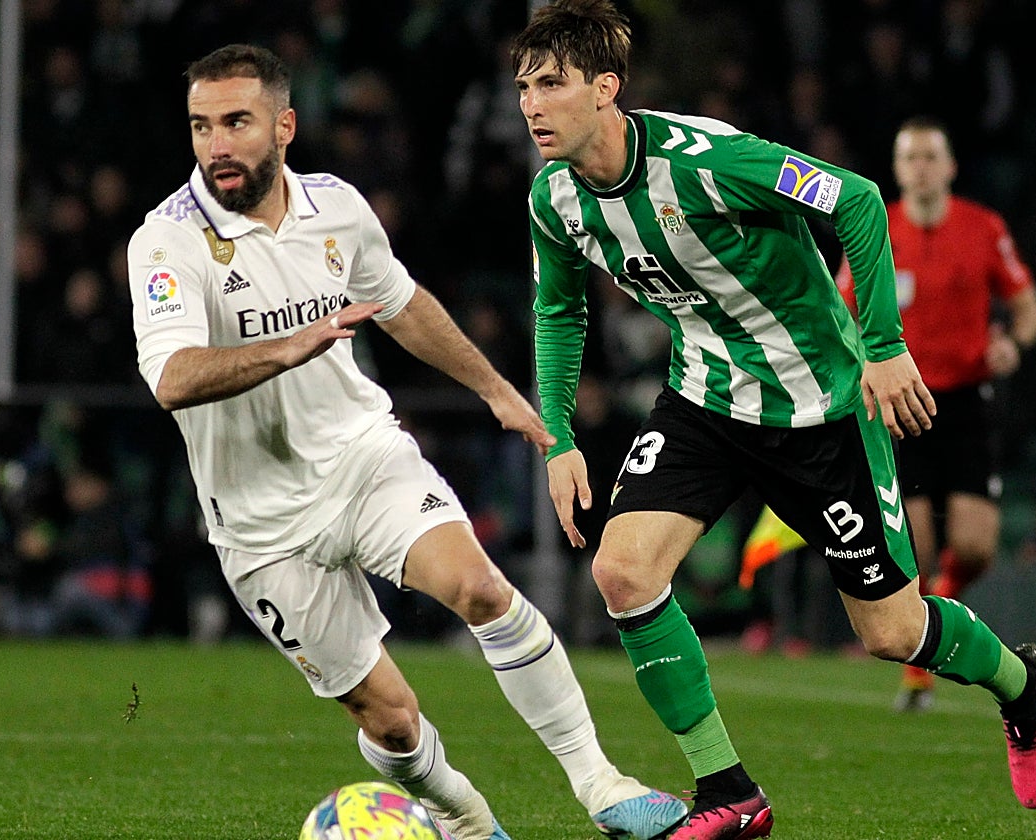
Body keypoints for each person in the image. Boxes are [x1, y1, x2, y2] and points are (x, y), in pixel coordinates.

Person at [511, 2, 1036, 836]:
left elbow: (857, 200)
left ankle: (1022, 686)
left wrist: (882, 346)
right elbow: (558, 312)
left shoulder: (708, 161)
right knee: (623, 573)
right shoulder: (554, 198)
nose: (530, 103)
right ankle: (729, 793)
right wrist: (556, 436)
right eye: (522, 86)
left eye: (550, 83)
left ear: (606, 89)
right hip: (704, 400)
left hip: (821, 413)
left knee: (893, 630)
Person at [125, 44, 687, 840]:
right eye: (202, 126)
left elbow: (403, 304)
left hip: (361, 455)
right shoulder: (166, 242)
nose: (217, 145)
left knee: (482, 590)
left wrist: (497, 392)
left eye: (236, 122)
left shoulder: (337, 208)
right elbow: (172, 377)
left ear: (283, 126)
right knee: (390, 720)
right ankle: (460, 815)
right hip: (259, 524)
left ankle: (602, 784)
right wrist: (287, 348)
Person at [835, 115, 1036, 713]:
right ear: (898, 169)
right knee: (919, 549)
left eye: (931, 156)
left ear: (950, 166)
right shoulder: (878, 228)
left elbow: (1029, 308)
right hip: (901, 405)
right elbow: (838, 309)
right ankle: (921, 672)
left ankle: (945, 605)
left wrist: (1015, 343)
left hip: (966, 402)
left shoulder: (984, 228)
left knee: (976, 547)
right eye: (910, 158)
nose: (921, 167)